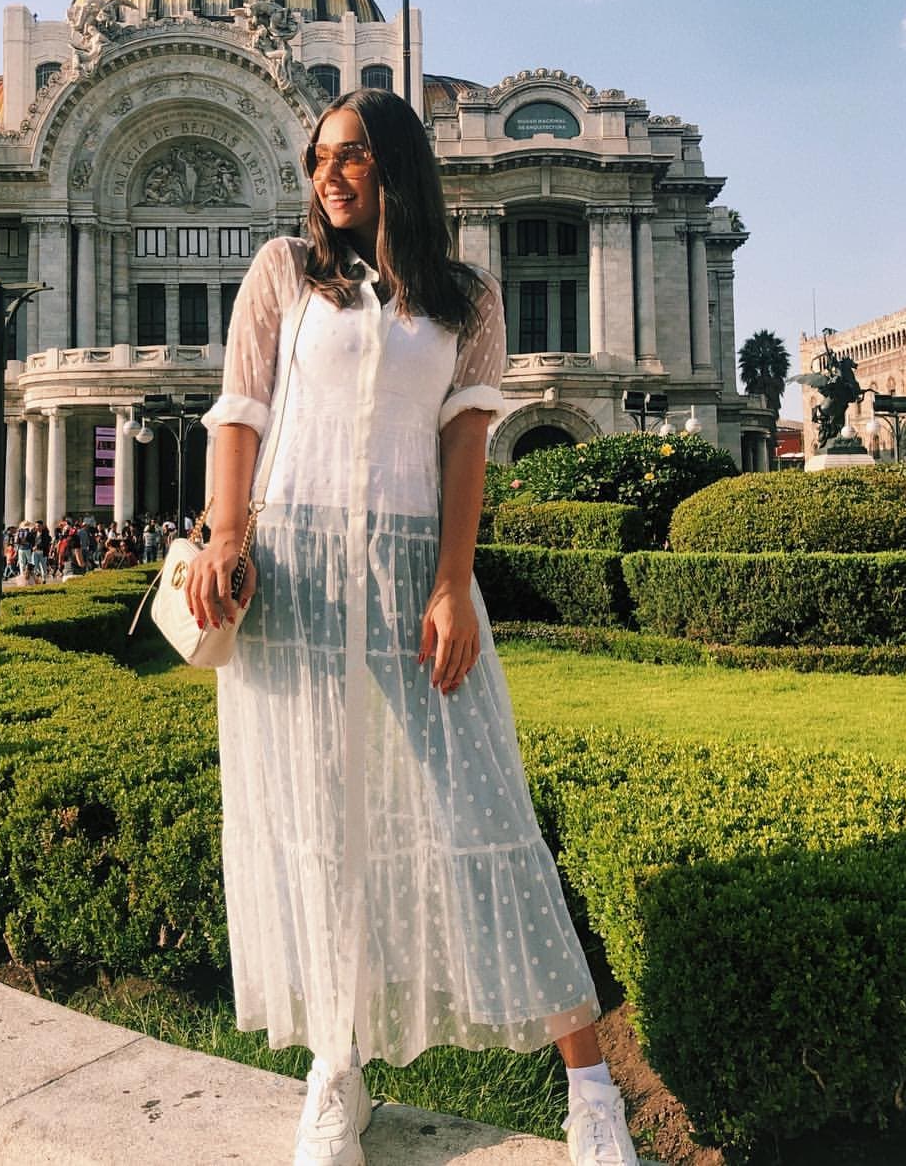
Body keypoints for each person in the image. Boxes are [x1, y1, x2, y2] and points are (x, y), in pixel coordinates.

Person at [185, 89, 637, 1166]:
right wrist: (223, 536)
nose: (327, 175)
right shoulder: (282, 276)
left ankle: (590, 1086)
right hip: (291, 574)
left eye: (349, 155)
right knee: (318, 824)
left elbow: (466, 453)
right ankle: (336, 1069)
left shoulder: (466, 301)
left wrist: (450, 583)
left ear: (397, 163)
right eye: (317, 158)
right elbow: (239, 416)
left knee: (483, 804)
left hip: (407, 571)